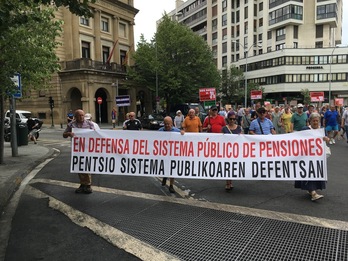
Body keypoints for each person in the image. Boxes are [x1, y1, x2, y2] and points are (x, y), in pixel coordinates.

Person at [294, 112, 329, 201]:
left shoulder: (322, 129)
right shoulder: (305, 129)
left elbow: (327, 139)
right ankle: (313, 193)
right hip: (307, 156)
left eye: (317, 121)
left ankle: (311, 190)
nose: (316, 123)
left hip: (318, 156)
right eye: (314, 121)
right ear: (310, 121)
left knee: (316, 172)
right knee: (309, 172)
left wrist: (326, 139)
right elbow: (299, 140)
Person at [63, 109, 95, 194]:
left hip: (87, 148)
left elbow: (96, 135)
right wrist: (69, 134)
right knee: (79, 166)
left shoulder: (89, 124)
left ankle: (88, 185)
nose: (81, 117)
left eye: (82, 115)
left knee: (86, 166)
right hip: (77, 149)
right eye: (79, 115)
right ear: (75, 116)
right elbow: (64, 135)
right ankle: (82, 184)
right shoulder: (71, 124)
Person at [159, 116, 181, 193]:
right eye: (165, 124)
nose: (167, 125)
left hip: (173, 154)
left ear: (172, 123)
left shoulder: (177, 131)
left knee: (173, 169)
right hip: (164, 154)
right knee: (165, 167)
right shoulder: (160, 131)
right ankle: (165, 176)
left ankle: (171, 185)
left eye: (168, 124)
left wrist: (183, 133)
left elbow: (184, 139)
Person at [222, 111, 242, 190]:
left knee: (233, 166)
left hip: (236, 150)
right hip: (227, 150)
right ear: (228, 119)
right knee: (227, 166)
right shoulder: (224, 128)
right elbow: (220, 139)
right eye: (231, 119)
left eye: (234, 119)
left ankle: (231, 182)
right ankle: (227, 182)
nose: (232, 120)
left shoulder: (239, 128)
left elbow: (242, 138)